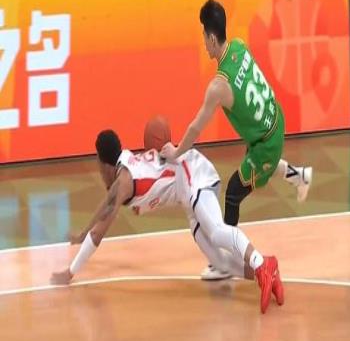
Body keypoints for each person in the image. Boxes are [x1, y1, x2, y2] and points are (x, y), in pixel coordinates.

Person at [51, 129, 284, 314]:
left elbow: (99, 231)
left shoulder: (123, 181)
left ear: (102, 164)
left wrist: (70, 272)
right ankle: (266, 272)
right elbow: (106, 204)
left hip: (194, 173)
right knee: (219, 262)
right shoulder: (123, 170)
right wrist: (82, 233)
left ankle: (261, 263)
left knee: (216, 232)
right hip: (187, 191)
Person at [161, 0, 312, 280]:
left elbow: (195, 128)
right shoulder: (239, 46)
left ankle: (227, 262)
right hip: (274, 119)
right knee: (258, 170)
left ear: (211, 37)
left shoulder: (219, 86)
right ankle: (300, 175)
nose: (203, 43)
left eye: (203, 36)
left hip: (265, 144)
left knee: (232, 193)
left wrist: (176, 152)